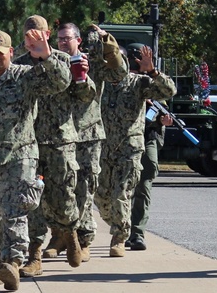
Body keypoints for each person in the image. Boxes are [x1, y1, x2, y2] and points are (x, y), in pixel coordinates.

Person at [0, 29, 70, 291]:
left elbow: (61, 82)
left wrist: (47, 55)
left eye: (2, 53)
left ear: (12, 53)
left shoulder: (25, 77)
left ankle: (13, 261)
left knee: (16, 210)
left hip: (19, 156)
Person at [13, 16, 96, 276]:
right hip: (29, 144)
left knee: (63, 198)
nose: (32, 39)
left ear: (47, 34)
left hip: (61, 141)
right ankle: (34, 256)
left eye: (37, 34)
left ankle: (70, 234)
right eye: (28, 35)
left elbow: (85, 95)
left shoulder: (64, 59)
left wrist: (81, 75)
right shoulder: (19, 66)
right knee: (31, 202)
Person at [44, 23, 128, 262]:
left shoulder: (91, 62)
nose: (62, 42)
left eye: (67, 38)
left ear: (78, 40)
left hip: (86, 135)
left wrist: (107, 41)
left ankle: (83, 239)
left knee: (84, 188)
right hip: (58, 135)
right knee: (57, 189)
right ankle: (59, 235)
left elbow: (119, 72)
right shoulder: (52, 62)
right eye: (59, 38)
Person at [96, 43, 176, 257]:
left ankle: (122, 236)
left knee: (126, 190)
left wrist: (152, 71)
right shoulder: (100, 84)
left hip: (130, 147)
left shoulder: (139, 83)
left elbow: (169, 91)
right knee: (102, 197)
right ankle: (120, 223)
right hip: (103, 147)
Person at [127, 106, 174, 251]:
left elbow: (161, 107)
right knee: (119, 188)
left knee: (145, 181)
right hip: (121, 136)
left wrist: (162, 119)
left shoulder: (153, 85)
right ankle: (121, 231)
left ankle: (137, 233)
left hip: (147, 136)